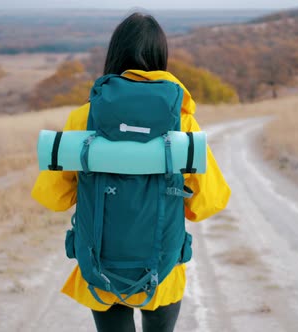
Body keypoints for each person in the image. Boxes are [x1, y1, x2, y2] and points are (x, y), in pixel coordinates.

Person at [31, 12, 230, 332]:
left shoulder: (84, 117)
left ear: (114, 54)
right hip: (162, 269)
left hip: (99, 265)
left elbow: (54, 197)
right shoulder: (182, 121)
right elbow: (208, 201)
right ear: (160, 56)